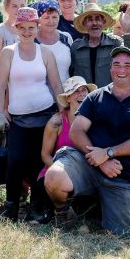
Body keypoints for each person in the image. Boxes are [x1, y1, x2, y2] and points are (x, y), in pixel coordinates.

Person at [45, 46, 130, 235]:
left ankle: (97, 209)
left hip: (122, 174)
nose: (121, 70)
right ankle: (62, 212)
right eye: (117, 65)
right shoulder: (95, 97)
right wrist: (99, 157)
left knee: (122, 233)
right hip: (88, 162)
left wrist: (108, 153)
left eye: (127, 65)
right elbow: (76, 131)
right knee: (54, 177)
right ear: (110, 69)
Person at [0, 7, 63, 221]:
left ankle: (36, 207)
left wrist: (63, 112)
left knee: (37, 164)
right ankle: (11, 206)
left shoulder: (45, 53)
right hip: (18, 118)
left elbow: (56, 84)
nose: (26, 31)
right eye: (22, 28)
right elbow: (0, 85)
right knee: (15, 161)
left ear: (37, 28)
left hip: (44, 115)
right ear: (16, 29)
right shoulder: (9, 53)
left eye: (31, 27)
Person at [38, 76, 97, 220]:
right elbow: (45, 154)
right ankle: (60, 211)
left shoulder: (95, 119)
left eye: (85, 90)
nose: (82, 94)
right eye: (77, 91)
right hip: (58, 169)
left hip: (84, 171)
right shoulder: (56, 122)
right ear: (68, 98)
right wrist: (60, 172)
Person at [69, 3, 130, 88]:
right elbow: (71, 74)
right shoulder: (76, 47)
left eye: (97, 19)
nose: (94, 23)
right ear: (84, 24)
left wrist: (126, 30)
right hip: (84, 99)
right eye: (90, 19)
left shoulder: (114, 44)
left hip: (109, 98)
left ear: (103, 22)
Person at [0, 0, 26, 88]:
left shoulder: (30, 30)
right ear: (6, 8)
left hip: (28, 85)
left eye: (22, 6)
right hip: (8, 88)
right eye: (14, 6)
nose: (19, 9)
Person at [30, 0, 73, 83]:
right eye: (46, 17)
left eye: (54, 17)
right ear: (38, 19)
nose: (51, 21)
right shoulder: (32, 40)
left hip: (66, 92)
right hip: (40, 94)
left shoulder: (66, 37)